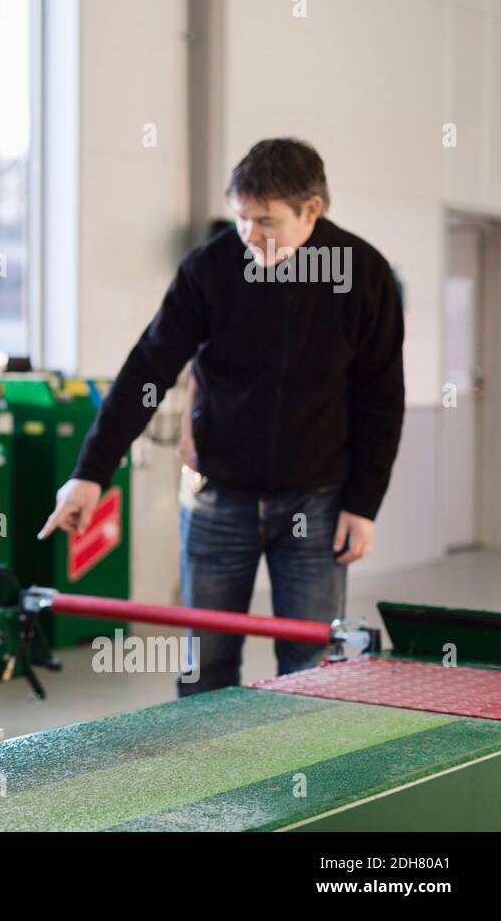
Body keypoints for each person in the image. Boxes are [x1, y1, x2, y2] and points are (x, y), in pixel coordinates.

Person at [39, 138, 405, 695]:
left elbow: (383, 398)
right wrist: (91, 472)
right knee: (204, 666)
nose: (252, 237)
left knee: (310, 668)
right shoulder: (211, 269)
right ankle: (206, 778)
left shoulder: (362, 274)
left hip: (317, 503)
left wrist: (364, 504)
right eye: (241, 219)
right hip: (218, 499)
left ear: (313, 209)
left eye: (267, 221)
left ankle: (305, 781)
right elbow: (147, 371)